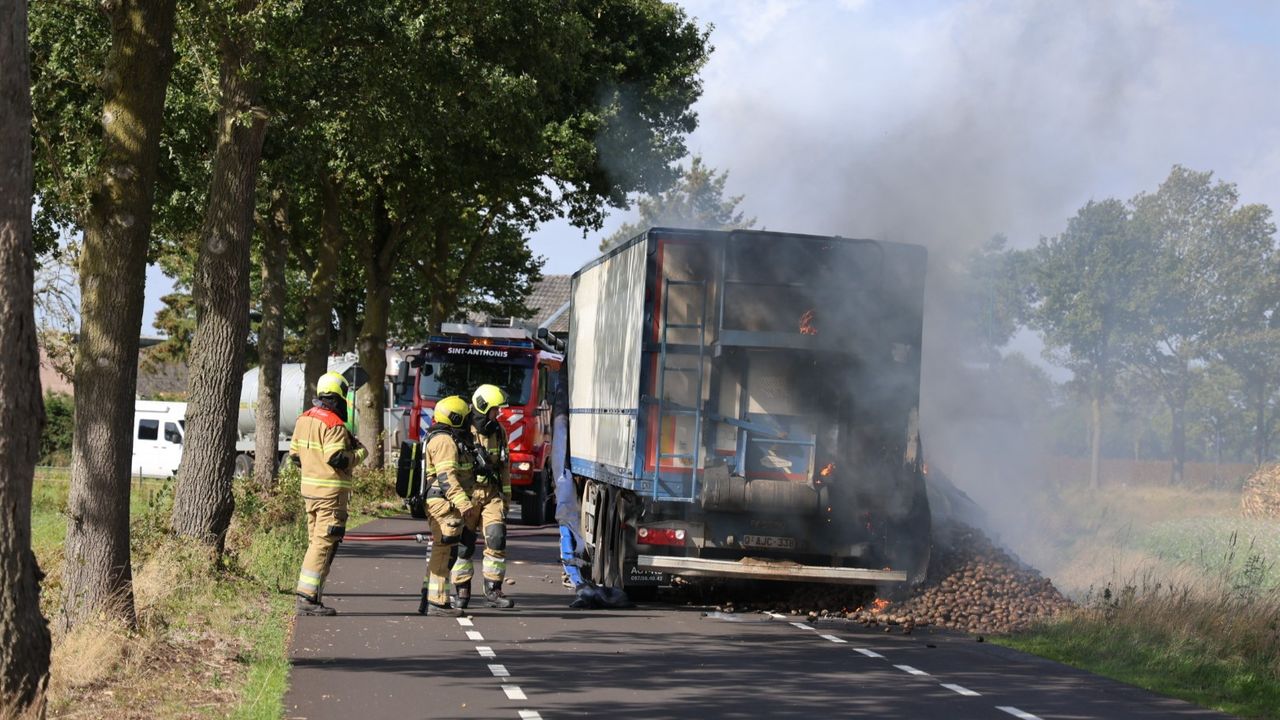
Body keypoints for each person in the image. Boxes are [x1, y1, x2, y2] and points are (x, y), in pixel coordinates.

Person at [290, 371, 367, 616]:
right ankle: (307, 599)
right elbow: (337, 458)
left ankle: (310, 595)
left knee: (315, 542)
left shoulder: (304, 418)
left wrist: (314, 467)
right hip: (330, 495)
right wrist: (359, 454)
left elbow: (294, 456)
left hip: (309, 493)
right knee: (324, 544)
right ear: (339, 395)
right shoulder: (333, 423)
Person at [450, 384, 515, 609]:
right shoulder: (463, 429)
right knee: (463, 545)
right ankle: (462, 589)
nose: (498, 414)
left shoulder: (499, 431)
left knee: (496, 538)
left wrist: (506, 499)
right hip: (468, 496)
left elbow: (504, 466)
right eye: (495, 410)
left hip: (492, 494)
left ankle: (493, 591)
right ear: (483, 407)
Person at [417, 395, 477, 617]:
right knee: (444, 551)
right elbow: (446, 477)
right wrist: (462, 501)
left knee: (442, 550)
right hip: (444, 503)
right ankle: (438, 603)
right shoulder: (444, 441)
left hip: (443, 502)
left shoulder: (442, 437)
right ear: (456, 418)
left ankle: (429, 598)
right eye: (465, 417)